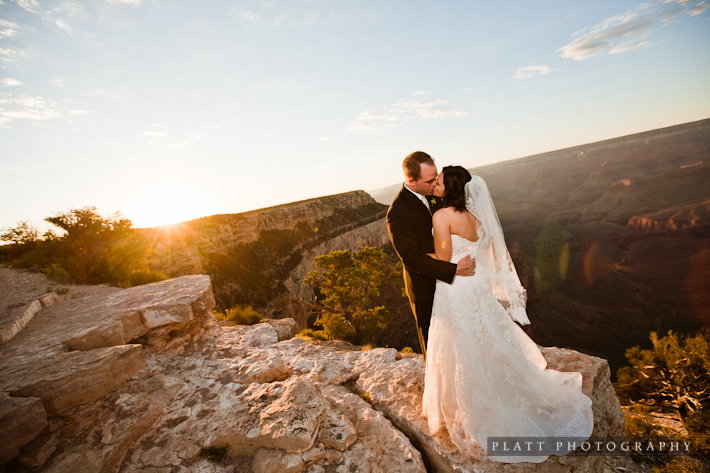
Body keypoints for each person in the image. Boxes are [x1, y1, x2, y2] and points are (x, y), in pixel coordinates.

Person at [421, 165, 594, 463]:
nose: (434, 183)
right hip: (477, 287)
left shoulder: (442, 216)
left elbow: (445, 259)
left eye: (439, 181)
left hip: (457, 289)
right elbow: (482, 253)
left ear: (449, 188)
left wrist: (418, 256)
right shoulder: (476, 217)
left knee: (461, 345)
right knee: (486, 337)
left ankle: (472, 407)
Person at [386, 152, 476, 358]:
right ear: (411, 181)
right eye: (429, 180)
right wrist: (454, 269)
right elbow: (411, 259)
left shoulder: (434, 194)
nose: (435, 183)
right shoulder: (398, 212)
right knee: (435, 341)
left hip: (454, 286)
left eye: (436, 177)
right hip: (425, 285)